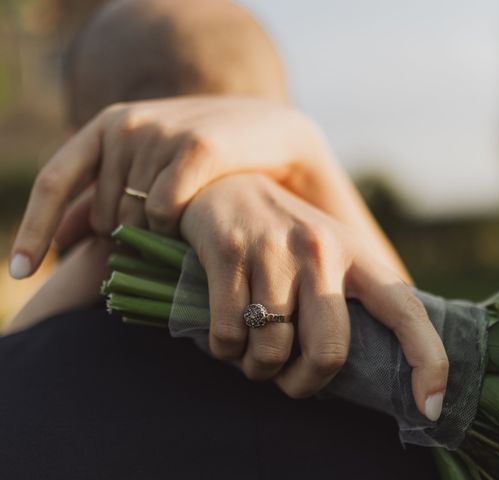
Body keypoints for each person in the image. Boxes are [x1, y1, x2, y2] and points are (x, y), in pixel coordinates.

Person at [2, 1, 445, 477]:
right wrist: (306, 151)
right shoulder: (408, 396)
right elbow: (438, 377)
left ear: (79, 149)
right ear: (276, 130)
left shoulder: (18, 403)